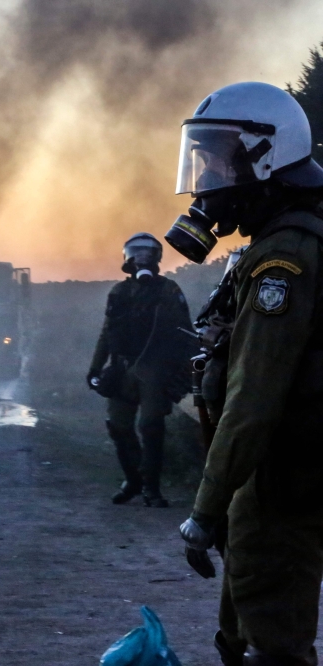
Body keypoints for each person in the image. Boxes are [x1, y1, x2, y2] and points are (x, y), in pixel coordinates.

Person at [168, 82, 323, 666]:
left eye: (216, 159)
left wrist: (205, 512)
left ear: (267, 156)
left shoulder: (284, 256)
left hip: (281, 475)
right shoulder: (282, 241)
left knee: (272, 641)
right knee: (247, 628)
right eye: (198, 157)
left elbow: (254, 401)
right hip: (280, 468)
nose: (205, 179)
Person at [87, 233, 192, 507]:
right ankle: (133, 480)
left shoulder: (168, 290)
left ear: (157, 257)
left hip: (155, 367)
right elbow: (107, 332)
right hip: (122, 366)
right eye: (137, 251)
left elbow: (184, 331)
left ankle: (152, 488)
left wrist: (185, 369)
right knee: (119, 426)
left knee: (151, 426)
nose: (142, 257)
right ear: (128, 258)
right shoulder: (119, 292)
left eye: (148, 252)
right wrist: (96, 367)